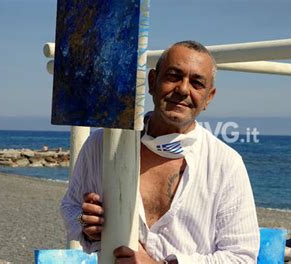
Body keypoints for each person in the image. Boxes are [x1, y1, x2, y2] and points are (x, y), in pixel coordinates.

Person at [61, 40, 260, 263]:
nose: (183, 89)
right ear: (153, 81)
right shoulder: (103, 145)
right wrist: (86, 223)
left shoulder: (226, 164)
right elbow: (71, 206)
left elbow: (241, 257)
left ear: (209, 97)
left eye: (197, 83)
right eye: (174, 76)